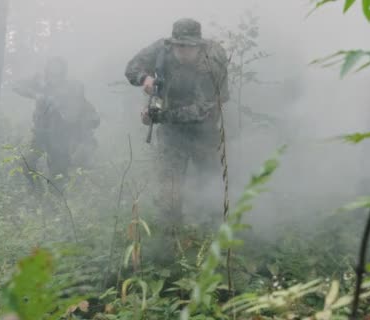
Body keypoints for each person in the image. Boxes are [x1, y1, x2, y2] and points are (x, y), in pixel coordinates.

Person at [124, 18, 230, 259]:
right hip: (171, 133)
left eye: (189, 46)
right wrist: (146, 80)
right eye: (179, 46)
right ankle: (171, 250)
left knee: (210, 186)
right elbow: (131, 68)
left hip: (204, 131)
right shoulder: (162, 49)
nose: (183, 51)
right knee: (169, 192)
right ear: (172, 43)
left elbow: (204, 109)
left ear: (199, 45)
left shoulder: (213, 59)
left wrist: (159, 116)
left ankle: (216, 246)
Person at [12, 57, 100, 197]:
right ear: (47, 71)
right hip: (40, 135)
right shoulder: (41, 84)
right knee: (26, 163)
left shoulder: (72, 88)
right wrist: (36, 95)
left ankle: (55, 209)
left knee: (58, 178)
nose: (54, 75)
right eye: (51, 70)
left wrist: (83, 131)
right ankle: (37, 192)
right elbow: (16, 85)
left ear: (63, 72)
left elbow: (88, 114)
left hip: (61, 140)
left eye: (58, 71)